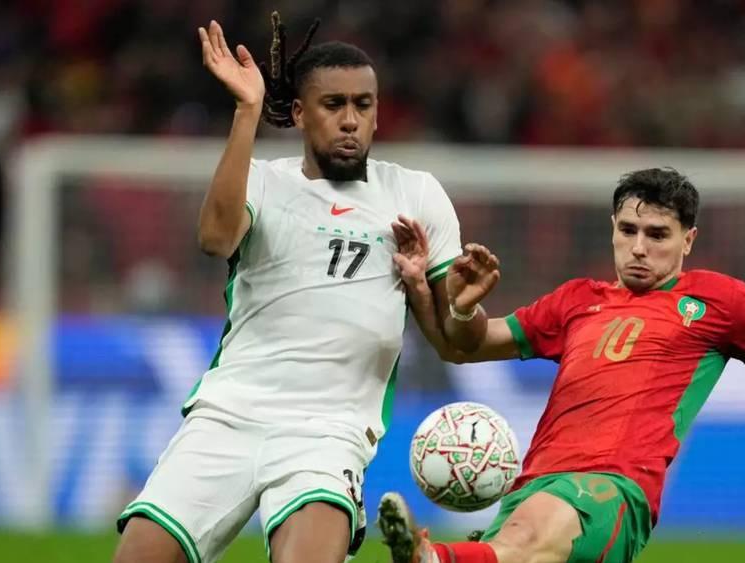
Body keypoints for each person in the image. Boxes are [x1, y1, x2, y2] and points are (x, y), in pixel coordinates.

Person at [381, 168, 745, 563]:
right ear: (612, 227)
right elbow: (463, 346)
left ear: (688, 240)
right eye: (628, 230)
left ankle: (433, 558)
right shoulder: (576, 301)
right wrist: (442, 296)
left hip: (612, 490)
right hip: (532, 486)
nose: (638, 248)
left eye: (657, 235)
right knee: (516, 542)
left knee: (524, 542)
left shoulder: (720, 301)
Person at [112, 13, 487, 563]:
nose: (351, 120)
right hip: (228, 414)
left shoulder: (415, 194)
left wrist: (463, 303)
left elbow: (458, 340)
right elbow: (215, 238)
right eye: (334, 105)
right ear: (298, 113)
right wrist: (246, 111)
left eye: (363, 104)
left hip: (328, 433)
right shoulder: (265, 181)